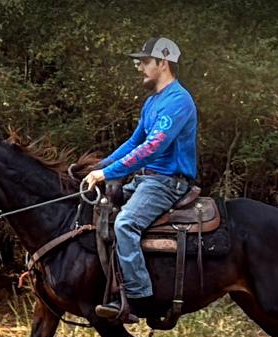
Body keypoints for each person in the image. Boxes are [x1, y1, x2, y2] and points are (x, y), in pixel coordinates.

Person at [84, 37, 198, 322]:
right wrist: (99, 167)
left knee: (126, 223)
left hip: (168, 182)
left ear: (164, 62)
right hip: (146, 181)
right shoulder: (152, 102)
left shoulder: (179, 101)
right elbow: (134, 142)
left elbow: (152, 148)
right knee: (97, 212)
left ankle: (140, 300)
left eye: (146, 62)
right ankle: (107, 287)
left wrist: (109, 173)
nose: (140, 67)